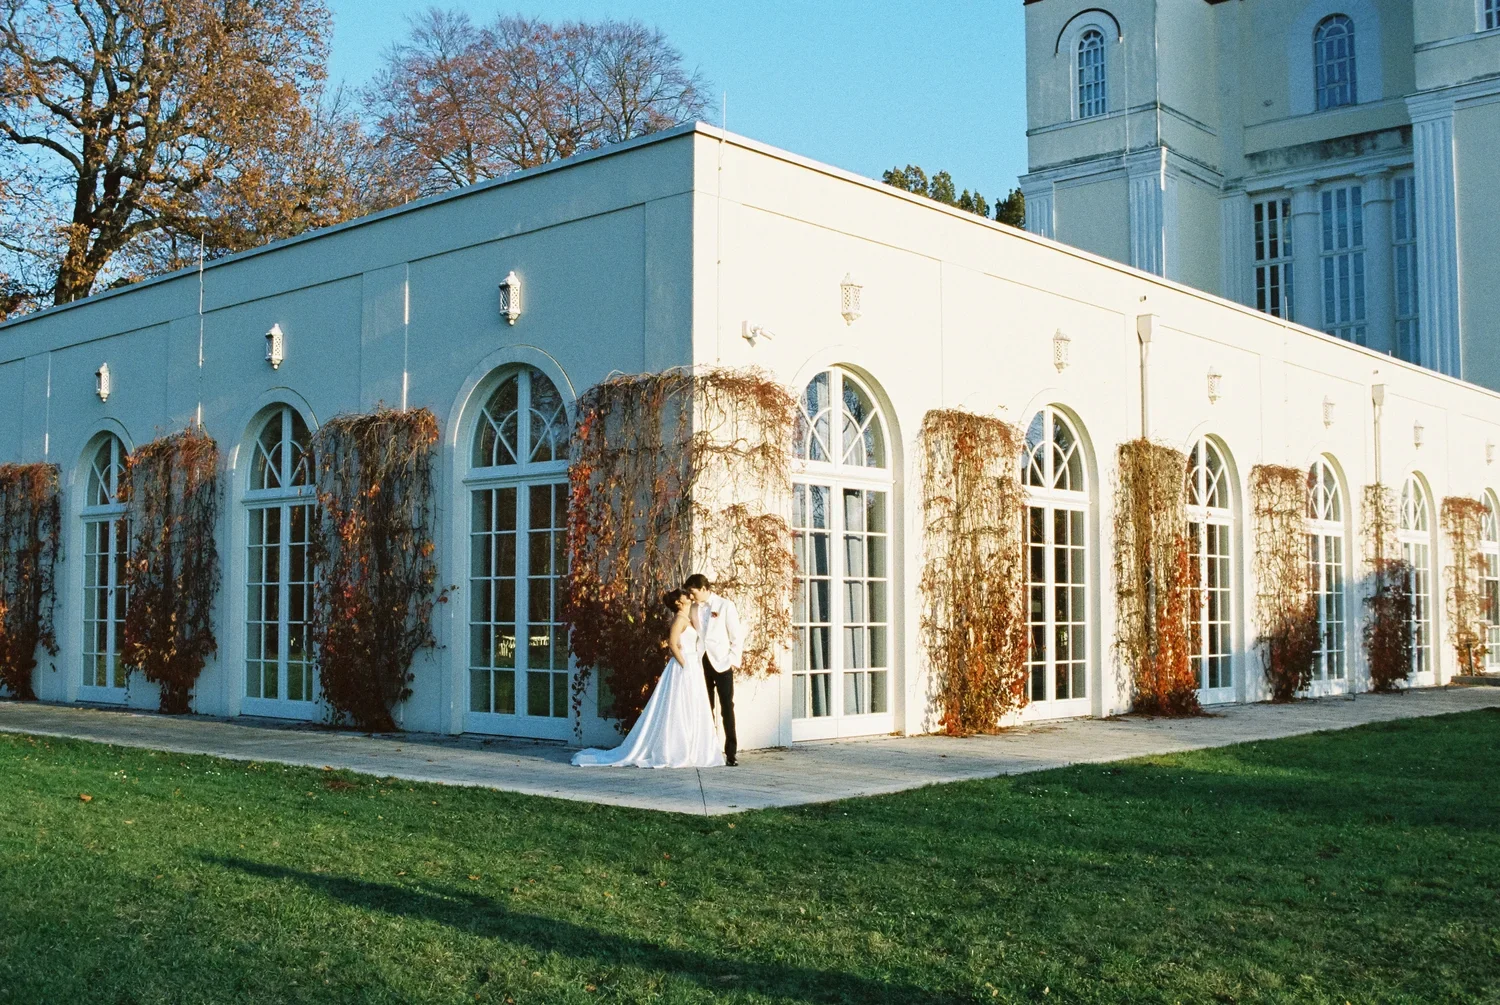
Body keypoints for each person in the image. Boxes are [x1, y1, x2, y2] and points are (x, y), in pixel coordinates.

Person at [571, 589, 725, 769]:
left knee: (691, 705)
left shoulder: (688, 619)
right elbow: (672, 644)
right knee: (678, 706)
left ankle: (693, 747)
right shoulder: (679, 620)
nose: (688, 596)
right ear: (678, 602)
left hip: (692, 665)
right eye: (684, 595)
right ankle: (675, 749)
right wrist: (685, 664)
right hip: (683, 666)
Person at [684, 573, 743, 766]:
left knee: (727, 707)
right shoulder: (693, 608)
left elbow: (737, 636)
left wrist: (732, 660)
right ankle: (708, 751)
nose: (691, 596)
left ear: (703, 588)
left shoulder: (725, 606)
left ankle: (731, 753)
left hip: (722, 662)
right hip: (702, 662)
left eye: (693, 592)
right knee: (705, 707)